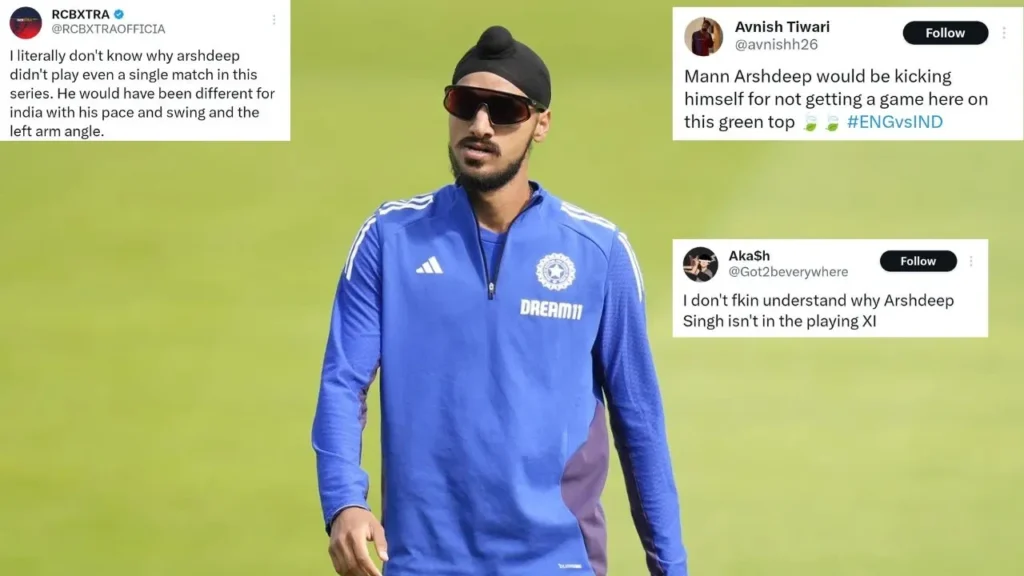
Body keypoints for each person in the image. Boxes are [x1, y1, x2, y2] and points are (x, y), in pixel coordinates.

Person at [312, 24, 688, 576]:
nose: (481, 125)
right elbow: (343, 383)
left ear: (541, 123)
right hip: (420, 564)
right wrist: (344, 500)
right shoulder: (389, 238)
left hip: (558, 563)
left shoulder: (598, 252)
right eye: (465, 104)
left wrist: (670, 567)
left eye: (506, 111)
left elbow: (641, 425)